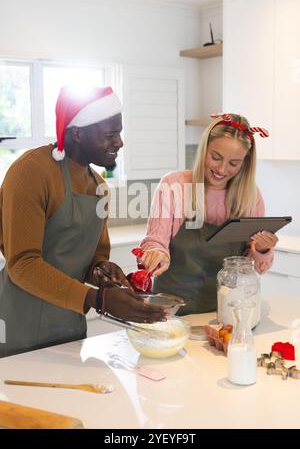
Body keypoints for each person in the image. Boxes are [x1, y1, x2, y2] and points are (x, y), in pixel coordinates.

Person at [0, 85, 165, 358]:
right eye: (111, 135)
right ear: (77, 133)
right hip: (21, 327)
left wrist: (103, 272)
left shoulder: (99, 186)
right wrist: (97, 299)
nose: (120, 142)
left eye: (119, 133)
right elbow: (23, 264)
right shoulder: (31, 172)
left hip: (69, 327)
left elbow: (93, 257)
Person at [139, 113, 278, 315]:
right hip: (170, 310)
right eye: (215, 157)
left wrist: (262, 250)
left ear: (245, 163)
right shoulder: (175, 185)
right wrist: (156, 254)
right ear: (204, 149)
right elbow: (155, 240)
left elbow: (252, 267)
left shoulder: (251, 196)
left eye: (233, 163)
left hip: (227, 310)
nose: (222, 169)